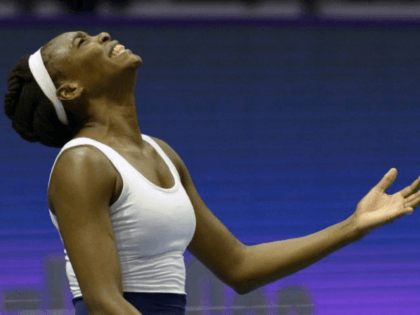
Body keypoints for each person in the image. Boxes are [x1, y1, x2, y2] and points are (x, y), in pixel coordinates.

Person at [3, 31, 420, 315]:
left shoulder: (162, 153)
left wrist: (353, 226)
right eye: (82, 42)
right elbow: (105, 303)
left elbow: (239, 267)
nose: (102, 36)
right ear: (70, 90)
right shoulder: (81, 163)